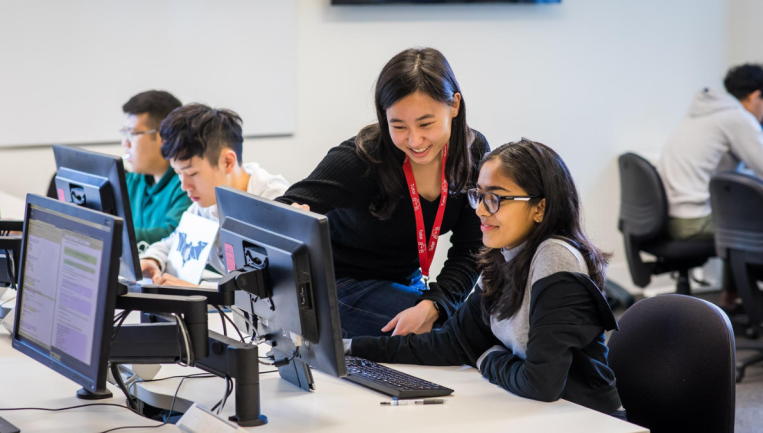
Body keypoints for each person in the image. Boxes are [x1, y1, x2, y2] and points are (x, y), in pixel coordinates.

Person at [347, 139, 623, 418]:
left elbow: (542, 384)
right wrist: (352, 348)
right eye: (478, 195)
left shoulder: (555, 258)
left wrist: (488, 357)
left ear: (540, 208)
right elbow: (451, 343)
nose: (480, 209)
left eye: (496, 198)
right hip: (537, 414)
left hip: (585, 419)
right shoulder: (504, 255)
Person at [276, 47, 490, 338]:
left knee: (473, 322)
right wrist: (290, 217)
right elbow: (280, 208)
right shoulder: (359, 159)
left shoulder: (473, 152)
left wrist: (437, 303)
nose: (415, 140)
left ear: (454, 106)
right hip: (337, 284)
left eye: (426, 124)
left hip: (405, 281)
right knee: (455, 334)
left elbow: (471, 246)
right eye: (398, 126)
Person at [139, 103, 289, 287]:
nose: (184, 186)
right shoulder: (206, 203)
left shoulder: (274, 200)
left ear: (227, 162)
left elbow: (279, 287)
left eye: (192, 173)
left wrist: (202, 292)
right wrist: (152, 260)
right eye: (178, 173)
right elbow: (174, 243)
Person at [659, 64, 763, 308]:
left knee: (736, 213)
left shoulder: (704, 112)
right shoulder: (737, 117)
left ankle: (731, 297)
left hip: (670, 215)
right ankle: (750, 303)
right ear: (755, 96)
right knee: (745, 222)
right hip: (692, 221)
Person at [121, 90, 192, 252]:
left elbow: (173, 235)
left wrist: (115, 232)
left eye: (132, 134)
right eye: (124, 133)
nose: (125, 142)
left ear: (163, 137)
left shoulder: (187, 183)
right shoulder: (133, 180)